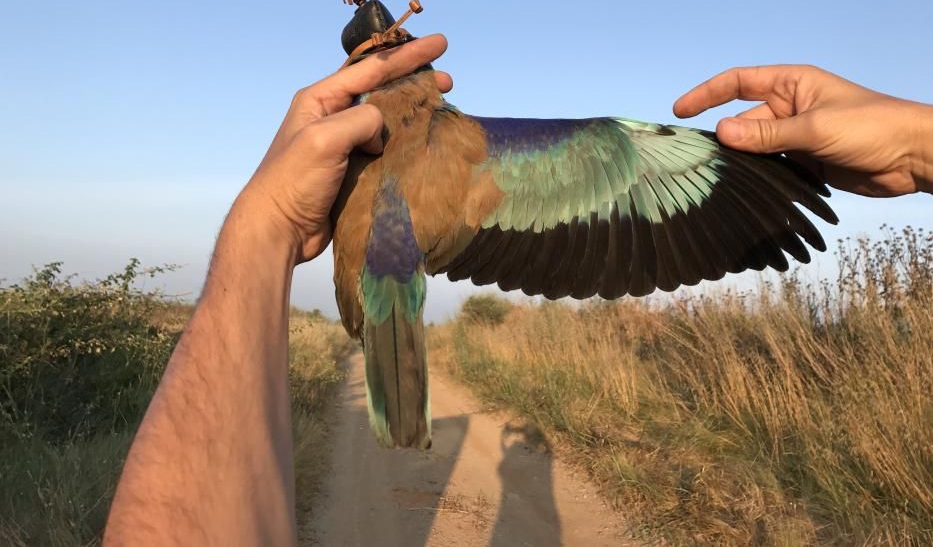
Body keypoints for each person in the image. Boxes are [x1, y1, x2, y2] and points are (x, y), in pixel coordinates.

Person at [103, 35, 932, 545]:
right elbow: (641, 165)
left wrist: (264, 225)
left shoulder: (346, 143)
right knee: (624, 144)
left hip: (369, 268)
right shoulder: (475, 147)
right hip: (396, 255)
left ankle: (392, 406)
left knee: (627, 144)